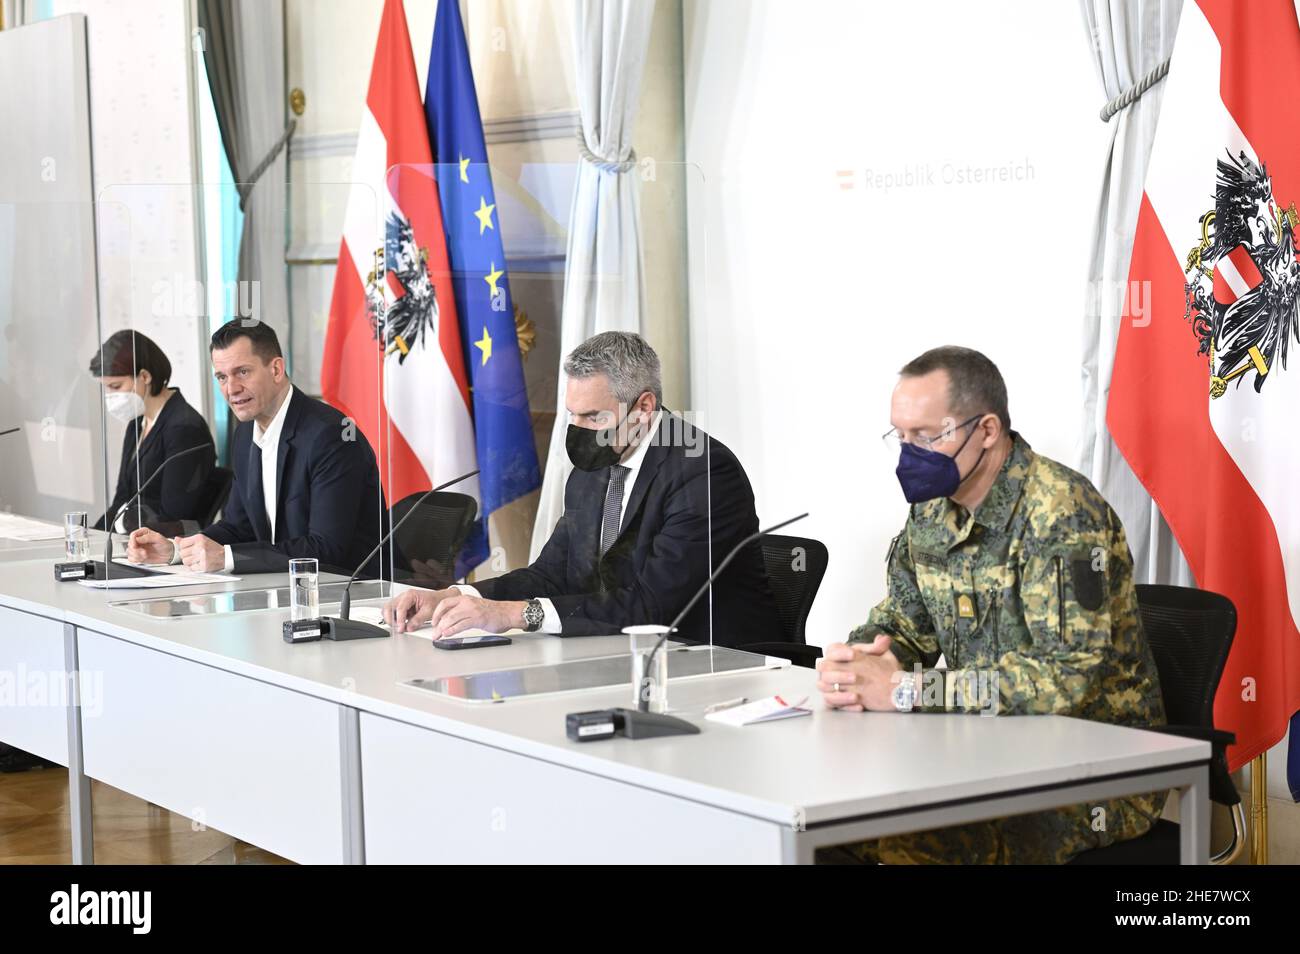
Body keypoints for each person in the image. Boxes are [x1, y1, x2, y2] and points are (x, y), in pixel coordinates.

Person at [815, 345, 1166, 864]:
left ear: (986, 431)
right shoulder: (934, 510)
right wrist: (865, 662)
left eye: (928, 435)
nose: (910, 454)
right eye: (902, 435)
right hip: (982, 755)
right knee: (829, 825)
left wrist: (912, 690)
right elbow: (904, 624)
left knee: (899, 843)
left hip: (1093, 774)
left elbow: (1062, 679)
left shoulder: (1062, 515)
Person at [383, 331, 786, 646]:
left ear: (644, 408)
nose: (578, 431)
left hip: (714, 663)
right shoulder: (595, 464)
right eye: (572, 415)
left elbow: (652, 606)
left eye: (593, 417)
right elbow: (552, 575)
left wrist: (514, 615)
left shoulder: (704, 473)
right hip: (618, 653)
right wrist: (455, 595)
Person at [125, 319, 383, 574]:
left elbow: (326, 549)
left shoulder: (331, 435)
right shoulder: (246, 433)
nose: (231, 389)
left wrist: (226, 557)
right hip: (283, 589)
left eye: (243, 372)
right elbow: (239, 527)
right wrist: (178, 551)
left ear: (276, 370)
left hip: (351, 592)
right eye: (222, 377)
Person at [89, 330, 215, 534]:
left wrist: (120, 523)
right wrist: (93, 537)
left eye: (116, 386)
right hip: (132, 539)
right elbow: (122, 498)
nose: (110, 396)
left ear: (145, 376)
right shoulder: (136, 422)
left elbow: (173, 514)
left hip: (165, 548)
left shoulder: (184, 428)